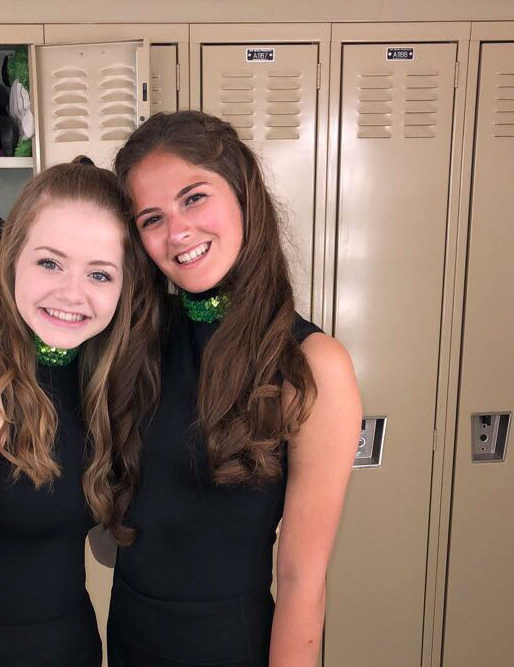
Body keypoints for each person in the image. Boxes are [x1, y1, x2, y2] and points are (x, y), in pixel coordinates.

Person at [106, 111, 362, 667]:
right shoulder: (136, 342)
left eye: (193, 198)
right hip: (127, 635)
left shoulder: (310, 365)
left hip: (229, 646)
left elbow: (301, 581)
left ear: (243, 193)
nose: (176, 233)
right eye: (152, 218)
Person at [0, 158, 137, 667]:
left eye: (99, 273)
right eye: (50, 263)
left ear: (122, 288)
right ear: (13, 259)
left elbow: (104, 546)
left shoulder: (95, 375)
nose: (71, 293)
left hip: (75, 645)